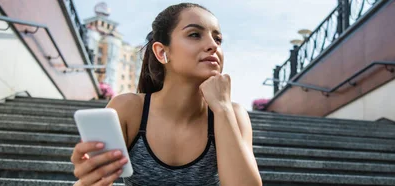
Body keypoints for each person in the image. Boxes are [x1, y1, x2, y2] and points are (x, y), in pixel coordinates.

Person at [70, 3, 262, 186]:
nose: (213, 45)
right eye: (195, 34)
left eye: (217, 39)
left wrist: (222, 109)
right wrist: (89, 178)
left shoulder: (233, 114)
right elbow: (96, 180)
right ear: (162, 52)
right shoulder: (129, 109)